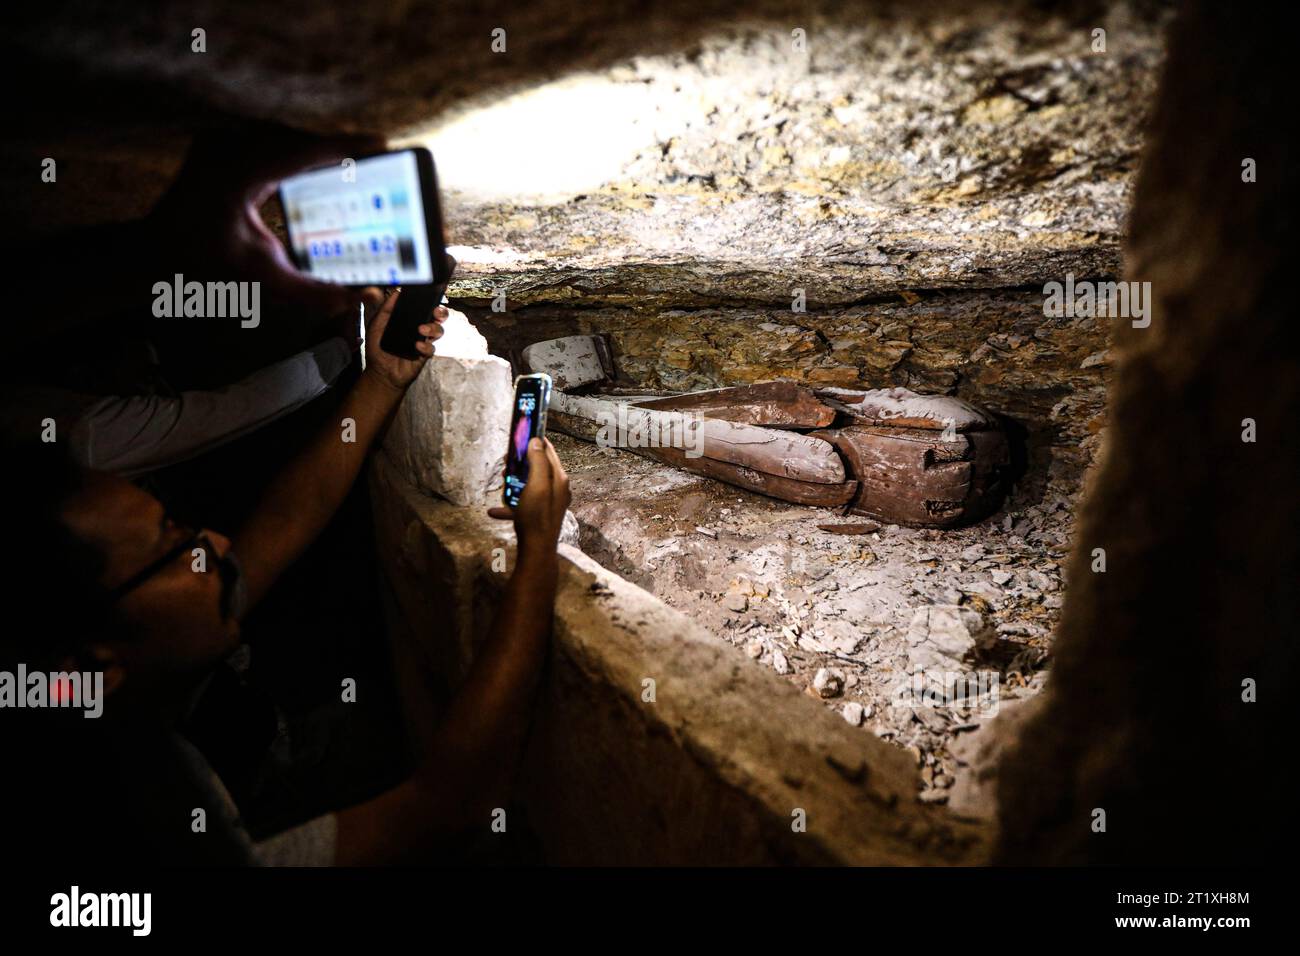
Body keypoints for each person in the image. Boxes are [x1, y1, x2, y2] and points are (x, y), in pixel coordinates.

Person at [1, 290, 571, 865]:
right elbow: (449, 804)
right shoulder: (142, 826)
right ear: (94, 663)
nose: (219, 546)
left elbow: (287, 517)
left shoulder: (127, 667)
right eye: (174, 547)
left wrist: (383, 380)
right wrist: (538, 554)